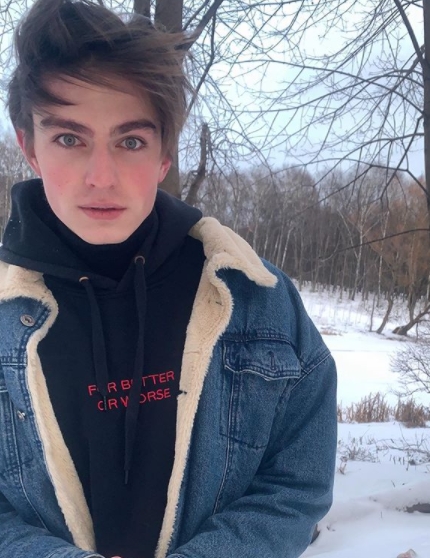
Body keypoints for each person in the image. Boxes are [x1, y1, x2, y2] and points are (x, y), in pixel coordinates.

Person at [0, 0, 337, 557]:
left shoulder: (259, 301)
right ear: (29, 147)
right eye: (69, 139)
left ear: (164, 156)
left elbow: (295, 487)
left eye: (130, 141)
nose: (101, 177)